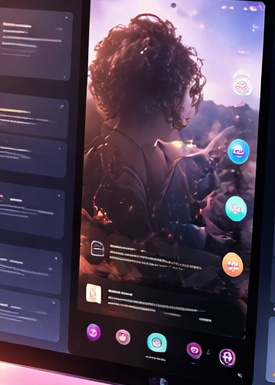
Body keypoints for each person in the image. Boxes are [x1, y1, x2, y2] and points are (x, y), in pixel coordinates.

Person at [83, 13, 207, 244]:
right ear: (162, 98)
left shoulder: (159, 152)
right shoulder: (106, 165)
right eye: (186, 92)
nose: (190, 103)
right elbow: (141, 253)